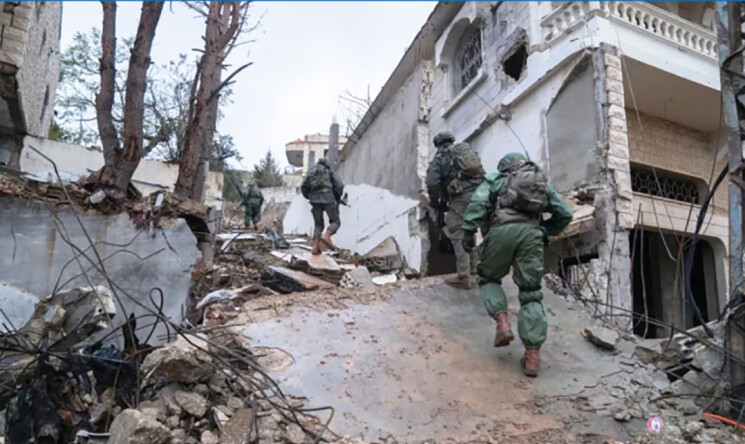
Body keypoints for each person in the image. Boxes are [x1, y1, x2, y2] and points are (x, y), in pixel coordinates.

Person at [461, 152, 573, 377]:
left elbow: (479, 202)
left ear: (504, 168)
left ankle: (502, 324)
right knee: (530, 292)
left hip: (500, 232)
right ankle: (532, 356)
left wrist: (468, 230)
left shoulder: (496, 179)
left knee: (489, 278)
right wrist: (545, 231)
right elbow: (565, 213)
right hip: (531, 235)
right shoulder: (539, 184)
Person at [425, 133, 483, 289]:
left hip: (461, 197)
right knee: (470, 228)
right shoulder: (466, 152)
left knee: (457, 231)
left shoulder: (441, 158)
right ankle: (474, 266)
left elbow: (431, 183)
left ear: (437, 144)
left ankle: (463, 276)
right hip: (479, 194)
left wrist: (435, 202)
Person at [301, 158, 344, 255]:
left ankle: (315, 247)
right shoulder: (329, 171)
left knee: (318, 224)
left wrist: (310, 197)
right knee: (336, 221)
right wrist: (337, 197)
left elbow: (303, 187)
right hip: (328, 198)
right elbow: (340, 185)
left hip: (314, 200)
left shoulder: (311, 172)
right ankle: (327, 235)